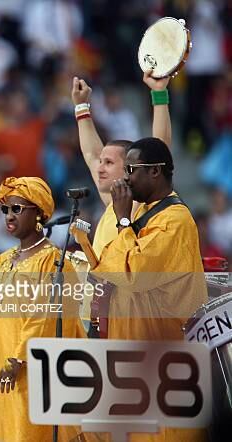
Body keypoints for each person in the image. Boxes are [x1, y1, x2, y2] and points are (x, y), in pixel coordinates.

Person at [91, 137, 207, 442]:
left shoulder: (175, 221)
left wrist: (123, 219)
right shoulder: (149, 213)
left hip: (161, 358)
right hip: (133, 353)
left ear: (155, 171)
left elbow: (133, 273)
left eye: (131, 169)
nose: (125, 177)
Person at [0, 177, 85, 442]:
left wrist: (17, 359)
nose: (9, 215)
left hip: (27, 365)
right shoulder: (1, 260)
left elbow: (48, 316)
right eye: (5, 209)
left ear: (39, 212)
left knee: (23, 429)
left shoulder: (54, 261)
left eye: (16, 209)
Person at [71, 70, 172, 257]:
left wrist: (159, 93)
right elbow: (91, 154)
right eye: (101, 162)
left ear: (129, 170)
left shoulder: (140, 202)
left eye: (108, 163)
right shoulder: (113, 202)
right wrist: (81, 106)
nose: (99, 168)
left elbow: (161, 147)